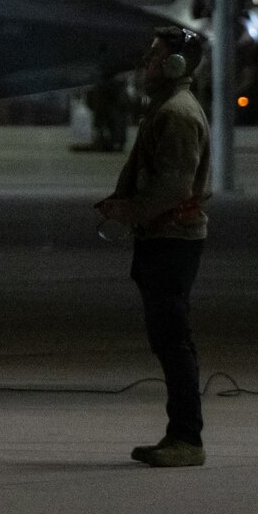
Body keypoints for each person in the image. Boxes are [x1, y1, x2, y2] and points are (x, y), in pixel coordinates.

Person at [96, 25, 211, 468]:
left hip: (171, 241)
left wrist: (131, 211)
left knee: (174, 341)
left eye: (153, 57)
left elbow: (173, 188)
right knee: (169, 340)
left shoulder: (177, 114)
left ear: (175, 64)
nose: (145, 65)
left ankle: (187, 438)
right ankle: (180, 435)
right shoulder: (165, 109)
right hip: (162, 239)